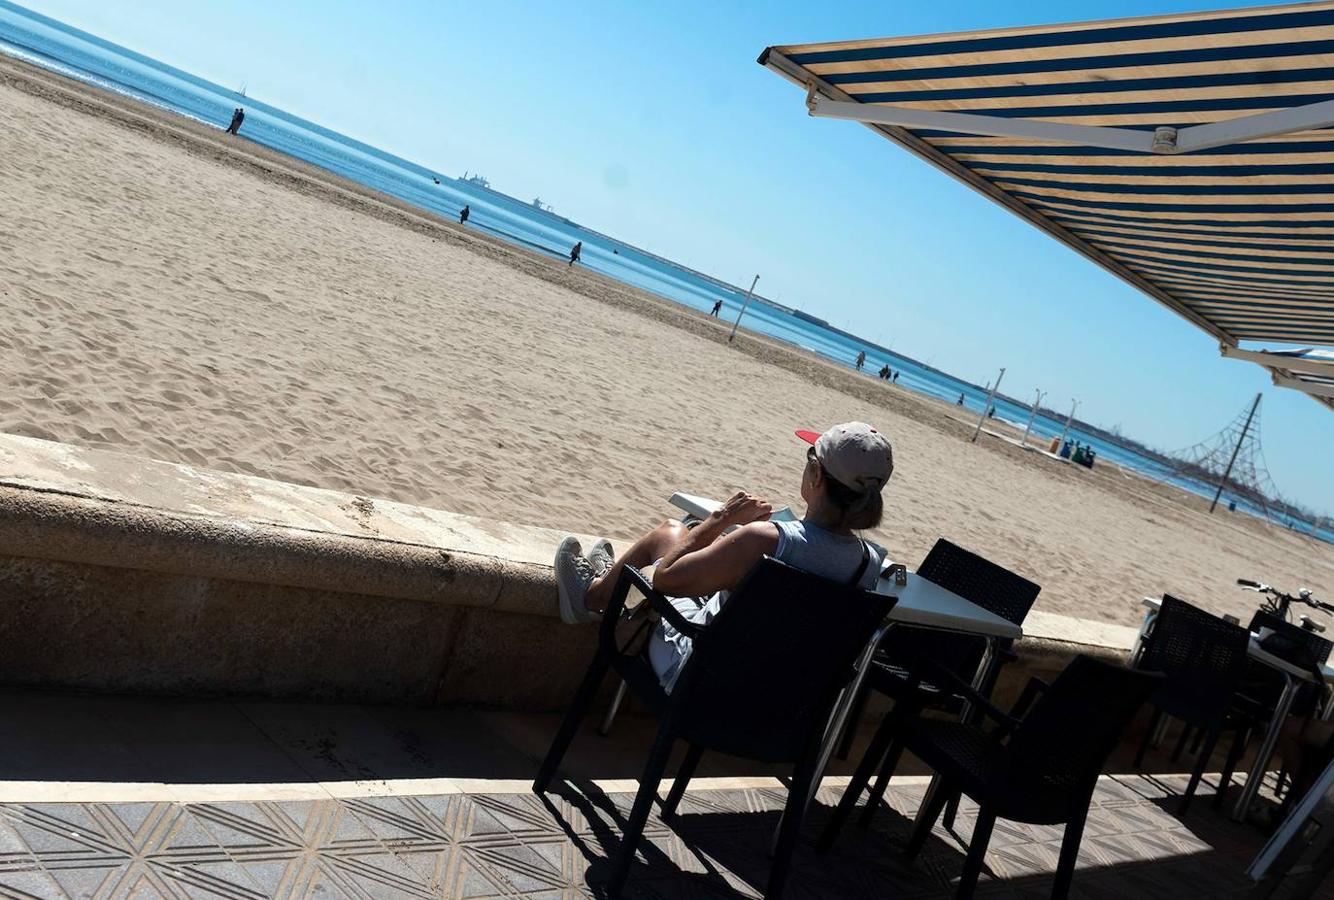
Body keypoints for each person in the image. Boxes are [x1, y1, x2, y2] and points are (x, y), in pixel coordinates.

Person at [553, 423, 893, 690]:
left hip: (695, 677)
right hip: (771, 699)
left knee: (671, 532)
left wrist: (722, 519)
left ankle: (593, 595)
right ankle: (609, 580)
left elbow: (666, 578)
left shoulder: (767, 541)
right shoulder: (869, 562)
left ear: (817, 475)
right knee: (707, 557)